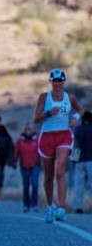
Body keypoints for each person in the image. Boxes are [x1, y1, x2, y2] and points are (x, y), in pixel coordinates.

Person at [33, 68, 85, 223]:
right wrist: (48, 113)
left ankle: (61, 209)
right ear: (51, 82)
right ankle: (50, 206)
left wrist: (75, 118)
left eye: (59, 81)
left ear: (63, 81)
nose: (57, 83)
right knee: (48, 176)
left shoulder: (70, 97)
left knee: (59, 171)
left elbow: (81, 110)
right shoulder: (44, 97)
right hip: (47, 137)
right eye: (54, 81)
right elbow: (35, 119)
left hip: (64, 135)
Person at [14, 123, 41, 212]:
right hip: (24, 165)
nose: (28, 131)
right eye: (26, 130)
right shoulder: (20, 141)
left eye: (29, 129)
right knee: (26, 185)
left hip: (35, 164)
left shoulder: (37, 139)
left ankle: (34, 204)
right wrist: (14, 161)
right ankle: (26, 204)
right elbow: (16, 152)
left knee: (35, 184)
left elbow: (42, 150)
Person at [72, 111, 92, 214]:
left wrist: (73, 159)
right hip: (90, 160)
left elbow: (75, 144)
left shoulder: (77, 129)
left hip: (79, 160)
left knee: (79, 185)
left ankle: (78, 207)